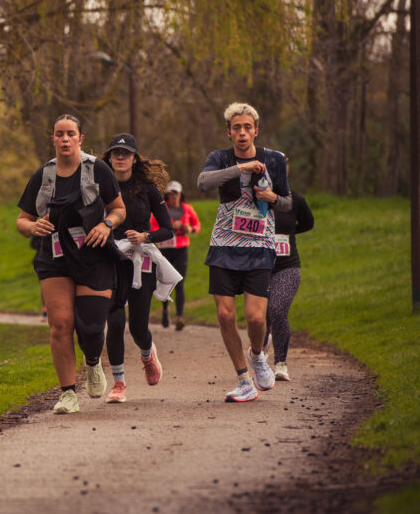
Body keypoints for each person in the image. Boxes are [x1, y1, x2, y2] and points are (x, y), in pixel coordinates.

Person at [16, 115, 127, 414]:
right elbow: (22, 219)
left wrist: (106, 225)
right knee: (60, 325)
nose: (65, 139)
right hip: (55, 256)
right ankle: (67, 394)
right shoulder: (43, 175)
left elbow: (119, 209)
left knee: (90, 328)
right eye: (59, 134)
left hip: (93, 254)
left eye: (71, 134)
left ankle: (92, 362)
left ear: (80, 138)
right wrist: (32, 228)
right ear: (52, 139)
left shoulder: (98, 170)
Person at [196, 102, 291, 403]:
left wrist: (272, 196)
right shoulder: (220, 158)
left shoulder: (273, 159)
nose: (242, 132)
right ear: (229, 133)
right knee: (225, 315)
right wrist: (240, 168)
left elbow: (289, 203)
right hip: (224, 244)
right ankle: (243, 379)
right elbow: (202, 183)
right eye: (236, 127)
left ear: (256, 130)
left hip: (259, 246)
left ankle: (258, 355)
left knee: (254, 318)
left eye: (247, 127)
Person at [101, 133, 174, 404]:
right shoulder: (100, 186)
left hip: (141, 260)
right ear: (109, 157)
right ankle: (119, 383)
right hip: (111, 258)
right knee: (115, 320)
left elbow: (167, 228)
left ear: (134, 157)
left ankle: (147, 354)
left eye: (126, 153)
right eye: (116, 153)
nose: (121, 157)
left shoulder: (147, 189)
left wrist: (145, 237)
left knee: (138, 327)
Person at [265, 156, 313, 381]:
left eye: (281, 171)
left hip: (288, 266)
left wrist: (286, 234)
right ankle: (259, 352)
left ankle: (280, 363)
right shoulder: (256, 200)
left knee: (277, 311)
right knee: (260, 316)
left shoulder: (296, 200)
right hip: (259, 267)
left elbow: (308, 223)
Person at [149, 181, 201, 331]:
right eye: (170, 194)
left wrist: (188, 228)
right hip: (165, 249)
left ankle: (179, 317)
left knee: (179, 282)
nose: (173, 197)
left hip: (181, 249)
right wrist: (169, 227)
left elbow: (196, 226)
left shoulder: (187, 209)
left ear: (180, 194)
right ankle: (165, 310)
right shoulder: (161, 208)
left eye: (175, 193)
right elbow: (152, 227)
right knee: (165, 281)